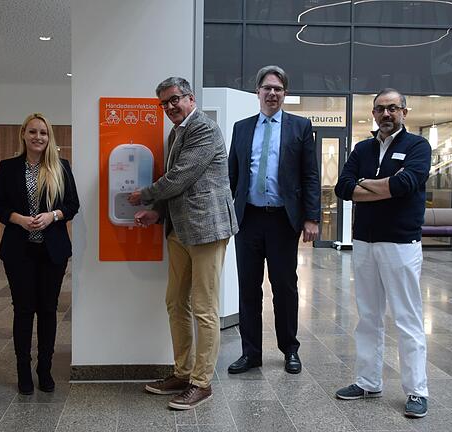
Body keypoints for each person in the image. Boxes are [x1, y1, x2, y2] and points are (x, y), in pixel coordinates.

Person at [128, 77, 238, 410]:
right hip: (179, 229)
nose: (169, 107)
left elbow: (182, 175)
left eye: (174, 100)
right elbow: (177, 181)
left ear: (190, 98)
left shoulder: (204, 128)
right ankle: (182, 372)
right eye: (164, 103)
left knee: (205, 308)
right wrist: (156, 212)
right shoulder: (175, 132)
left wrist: (145, 195)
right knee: (176, 301)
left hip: (207, 229)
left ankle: (201, 383)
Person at [333, 88, 431, 418]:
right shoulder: (362, 148)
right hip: (364, 243)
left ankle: (417, 391)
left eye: (392, 108)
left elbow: (407, 186)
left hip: (401, 244)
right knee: (368, 316)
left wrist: (368, 185)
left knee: (407, 318)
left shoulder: (418, 146)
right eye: (380, 109)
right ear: (373, 114)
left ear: (404, 111)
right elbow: (343, 188)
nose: (386, 114)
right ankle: (367, 381)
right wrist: (385, 186)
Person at [227, 65, 320, 375]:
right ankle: (250, 353)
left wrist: (311, 218)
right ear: (258, 92)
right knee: (248, 288)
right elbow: (232, 177)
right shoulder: (241, 128)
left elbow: (309, 174)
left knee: (285, 287)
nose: (272, 93)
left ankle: (290, 349)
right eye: (267, 88)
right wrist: (229, 216)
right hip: (248, 219)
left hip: (283, 221)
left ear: (285, 93)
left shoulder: (300, 127)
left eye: (278, 89)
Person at [0, 113, 79, 395]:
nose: (38, 137)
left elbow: (72, 205)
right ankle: (23, 371)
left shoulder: (61, 167)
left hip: (52, 252)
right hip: (19, 251)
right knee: (24, 310)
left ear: (49, 137)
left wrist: (52, 216)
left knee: (48, 310)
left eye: (43, 132)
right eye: (33, 132)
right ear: (23, 135)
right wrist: (18, 218)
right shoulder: (8, 167)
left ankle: (45, 369)